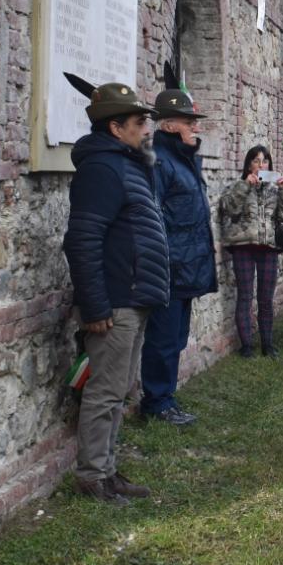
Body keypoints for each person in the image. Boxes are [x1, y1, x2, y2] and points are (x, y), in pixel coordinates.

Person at [61, 81, 166, 504]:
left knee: (119, 389)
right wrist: (95, 304)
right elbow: (82, 239)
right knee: (104, 391)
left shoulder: (128, 165)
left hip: (135, 296)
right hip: (116, 300)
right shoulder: (102, 169)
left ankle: (106, 468)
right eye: (140, 122)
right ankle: (92, 477)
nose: (147, 129)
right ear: (115, 127)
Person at [139, 88, 214, 426]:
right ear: (169, 126)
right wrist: (162, 264)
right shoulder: (158, 161)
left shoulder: (182, 160)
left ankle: (165, 397)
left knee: (176, 338)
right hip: (169, 268)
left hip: (187, 266)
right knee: (163, 340)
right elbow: (152, 218)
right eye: (189, 122)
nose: (194, 128)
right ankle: (156, 403)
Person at [216, 145, 283, 358]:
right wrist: (245, 185)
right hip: (243, 246)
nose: (260, 165)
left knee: (265, 298)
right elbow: (229, 208)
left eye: (264, 161)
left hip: (268, 248)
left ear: (269, 165)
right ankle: (246, 346)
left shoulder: (273, 189)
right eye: (256, 161)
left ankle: (268, 345)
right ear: (248, 164)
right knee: (245, 296)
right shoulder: (236, 185)